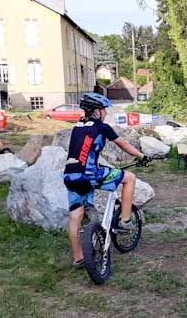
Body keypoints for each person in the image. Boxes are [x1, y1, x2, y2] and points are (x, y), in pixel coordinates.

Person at [63, 93, 148, 269]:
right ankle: (125, 220)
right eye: (104, 110)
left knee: (75, 217)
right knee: (129, 178)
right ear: (96, 111)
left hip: (70, 176)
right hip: (90, 175)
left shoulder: (76, 127)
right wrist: (141, 155)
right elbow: (123, 144)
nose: (106, 114)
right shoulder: (102, 127)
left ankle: (78, 258)